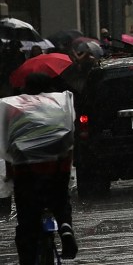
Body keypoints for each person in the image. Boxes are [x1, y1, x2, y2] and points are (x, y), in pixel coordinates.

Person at [5, 72, 77, 262]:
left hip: (26, 174)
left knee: (27, 221)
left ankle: (27, 258)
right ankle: (65, 226)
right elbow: (69, 135)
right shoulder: (60, 105)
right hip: (56, 170)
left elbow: (7, 143)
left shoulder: (15, 108)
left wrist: (9, 173)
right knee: (61, 200)